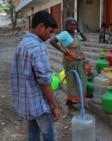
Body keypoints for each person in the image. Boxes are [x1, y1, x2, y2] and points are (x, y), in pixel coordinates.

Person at [10, 11, 59, 141]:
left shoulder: (22, 44)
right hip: (39, 104)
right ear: (41, 27)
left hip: (27, 102)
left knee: (33, 134)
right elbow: (44, 81)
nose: (50, 36)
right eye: (50, 31)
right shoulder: (37, 47)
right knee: (50, 136)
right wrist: (55, 105)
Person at [50, 17, 87, 110]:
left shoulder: (74, 35)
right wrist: (62, 50)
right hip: (70, 61)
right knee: (71, 81)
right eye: (71, 24)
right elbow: (52, 41)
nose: (73, 26)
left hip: (78, 60)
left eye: (75, 24)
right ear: (66, 25)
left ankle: (72, 100)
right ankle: (70, 103)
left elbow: (85, 39)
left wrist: (79, 30)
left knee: (79, 80)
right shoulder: (64, 34)